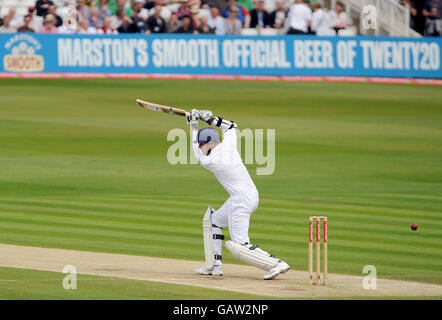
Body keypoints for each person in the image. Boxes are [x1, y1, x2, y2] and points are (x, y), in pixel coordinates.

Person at [187, 110, 290, 280]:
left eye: (201, 144)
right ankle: (214, 266)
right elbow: (231, 126)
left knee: (240, 245)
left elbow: (198, 156)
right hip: (249, 194)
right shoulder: (228, 144)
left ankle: (276, 264)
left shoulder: (210, 161)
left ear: (210, 143)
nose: (200, 148)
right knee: (214, 221)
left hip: (241, 199)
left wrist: (193, 126)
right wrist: (212, 120)